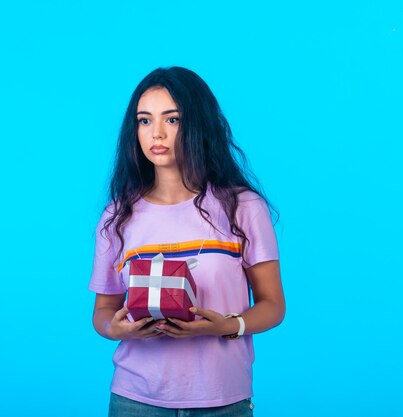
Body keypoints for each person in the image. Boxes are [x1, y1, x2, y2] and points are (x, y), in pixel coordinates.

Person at [89, 66, 285, 417]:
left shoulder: (243, 207)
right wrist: (116, 328)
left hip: (223, 399)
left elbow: (273, 305)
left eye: (173, 119)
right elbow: (102, 313)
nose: (157, 133)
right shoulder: (117, 216)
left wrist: (229, 325)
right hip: (136, 399)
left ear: (197, 124)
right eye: (144, 121)